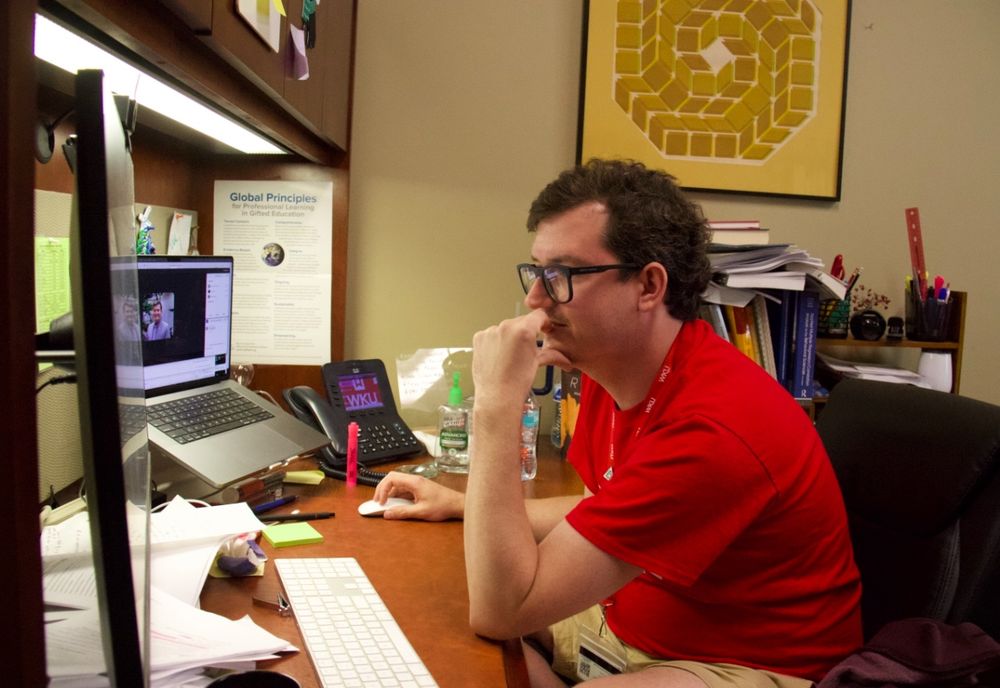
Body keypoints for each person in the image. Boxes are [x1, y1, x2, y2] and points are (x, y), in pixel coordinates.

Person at [373, 159, 862, 687]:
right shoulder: (614, 369)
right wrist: (462, 504)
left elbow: (502, 609)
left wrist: (496, 403)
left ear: (649, 285)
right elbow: (601, 508)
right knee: (441, 617)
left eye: (562, 275)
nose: (536, 299)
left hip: (748, 662)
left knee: (492, 610)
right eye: (536, 272)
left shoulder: (712, 428)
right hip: (632, 624)